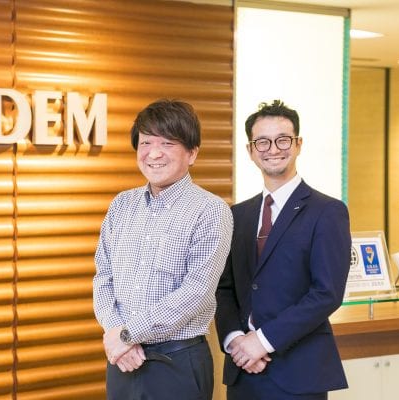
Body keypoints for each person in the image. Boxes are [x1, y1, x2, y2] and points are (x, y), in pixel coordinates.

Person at [92, 99, 233, 399]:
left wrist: (128, 334)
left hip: (177, 364)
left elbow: (196, 293)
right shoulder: (121, 205)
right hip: (123, 361)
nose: (153, 153)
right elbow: (103, 277)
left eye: (167, 143)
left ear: (192, 153)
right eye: (145, 142)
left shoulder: (210, 211)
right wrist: (117, 332)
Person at [215, 100, 351, 400]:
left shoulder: (327, 211)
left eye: (283, 140)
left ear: (298, 144)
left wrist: (262, 341)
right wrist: (236, 340)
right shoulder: (237, 215)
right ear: (251, 150)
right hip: (243, 372)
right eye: (262, 141)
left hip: (298, 374)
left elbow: (326, 293)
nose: (273, 149)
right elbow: (224, 289)